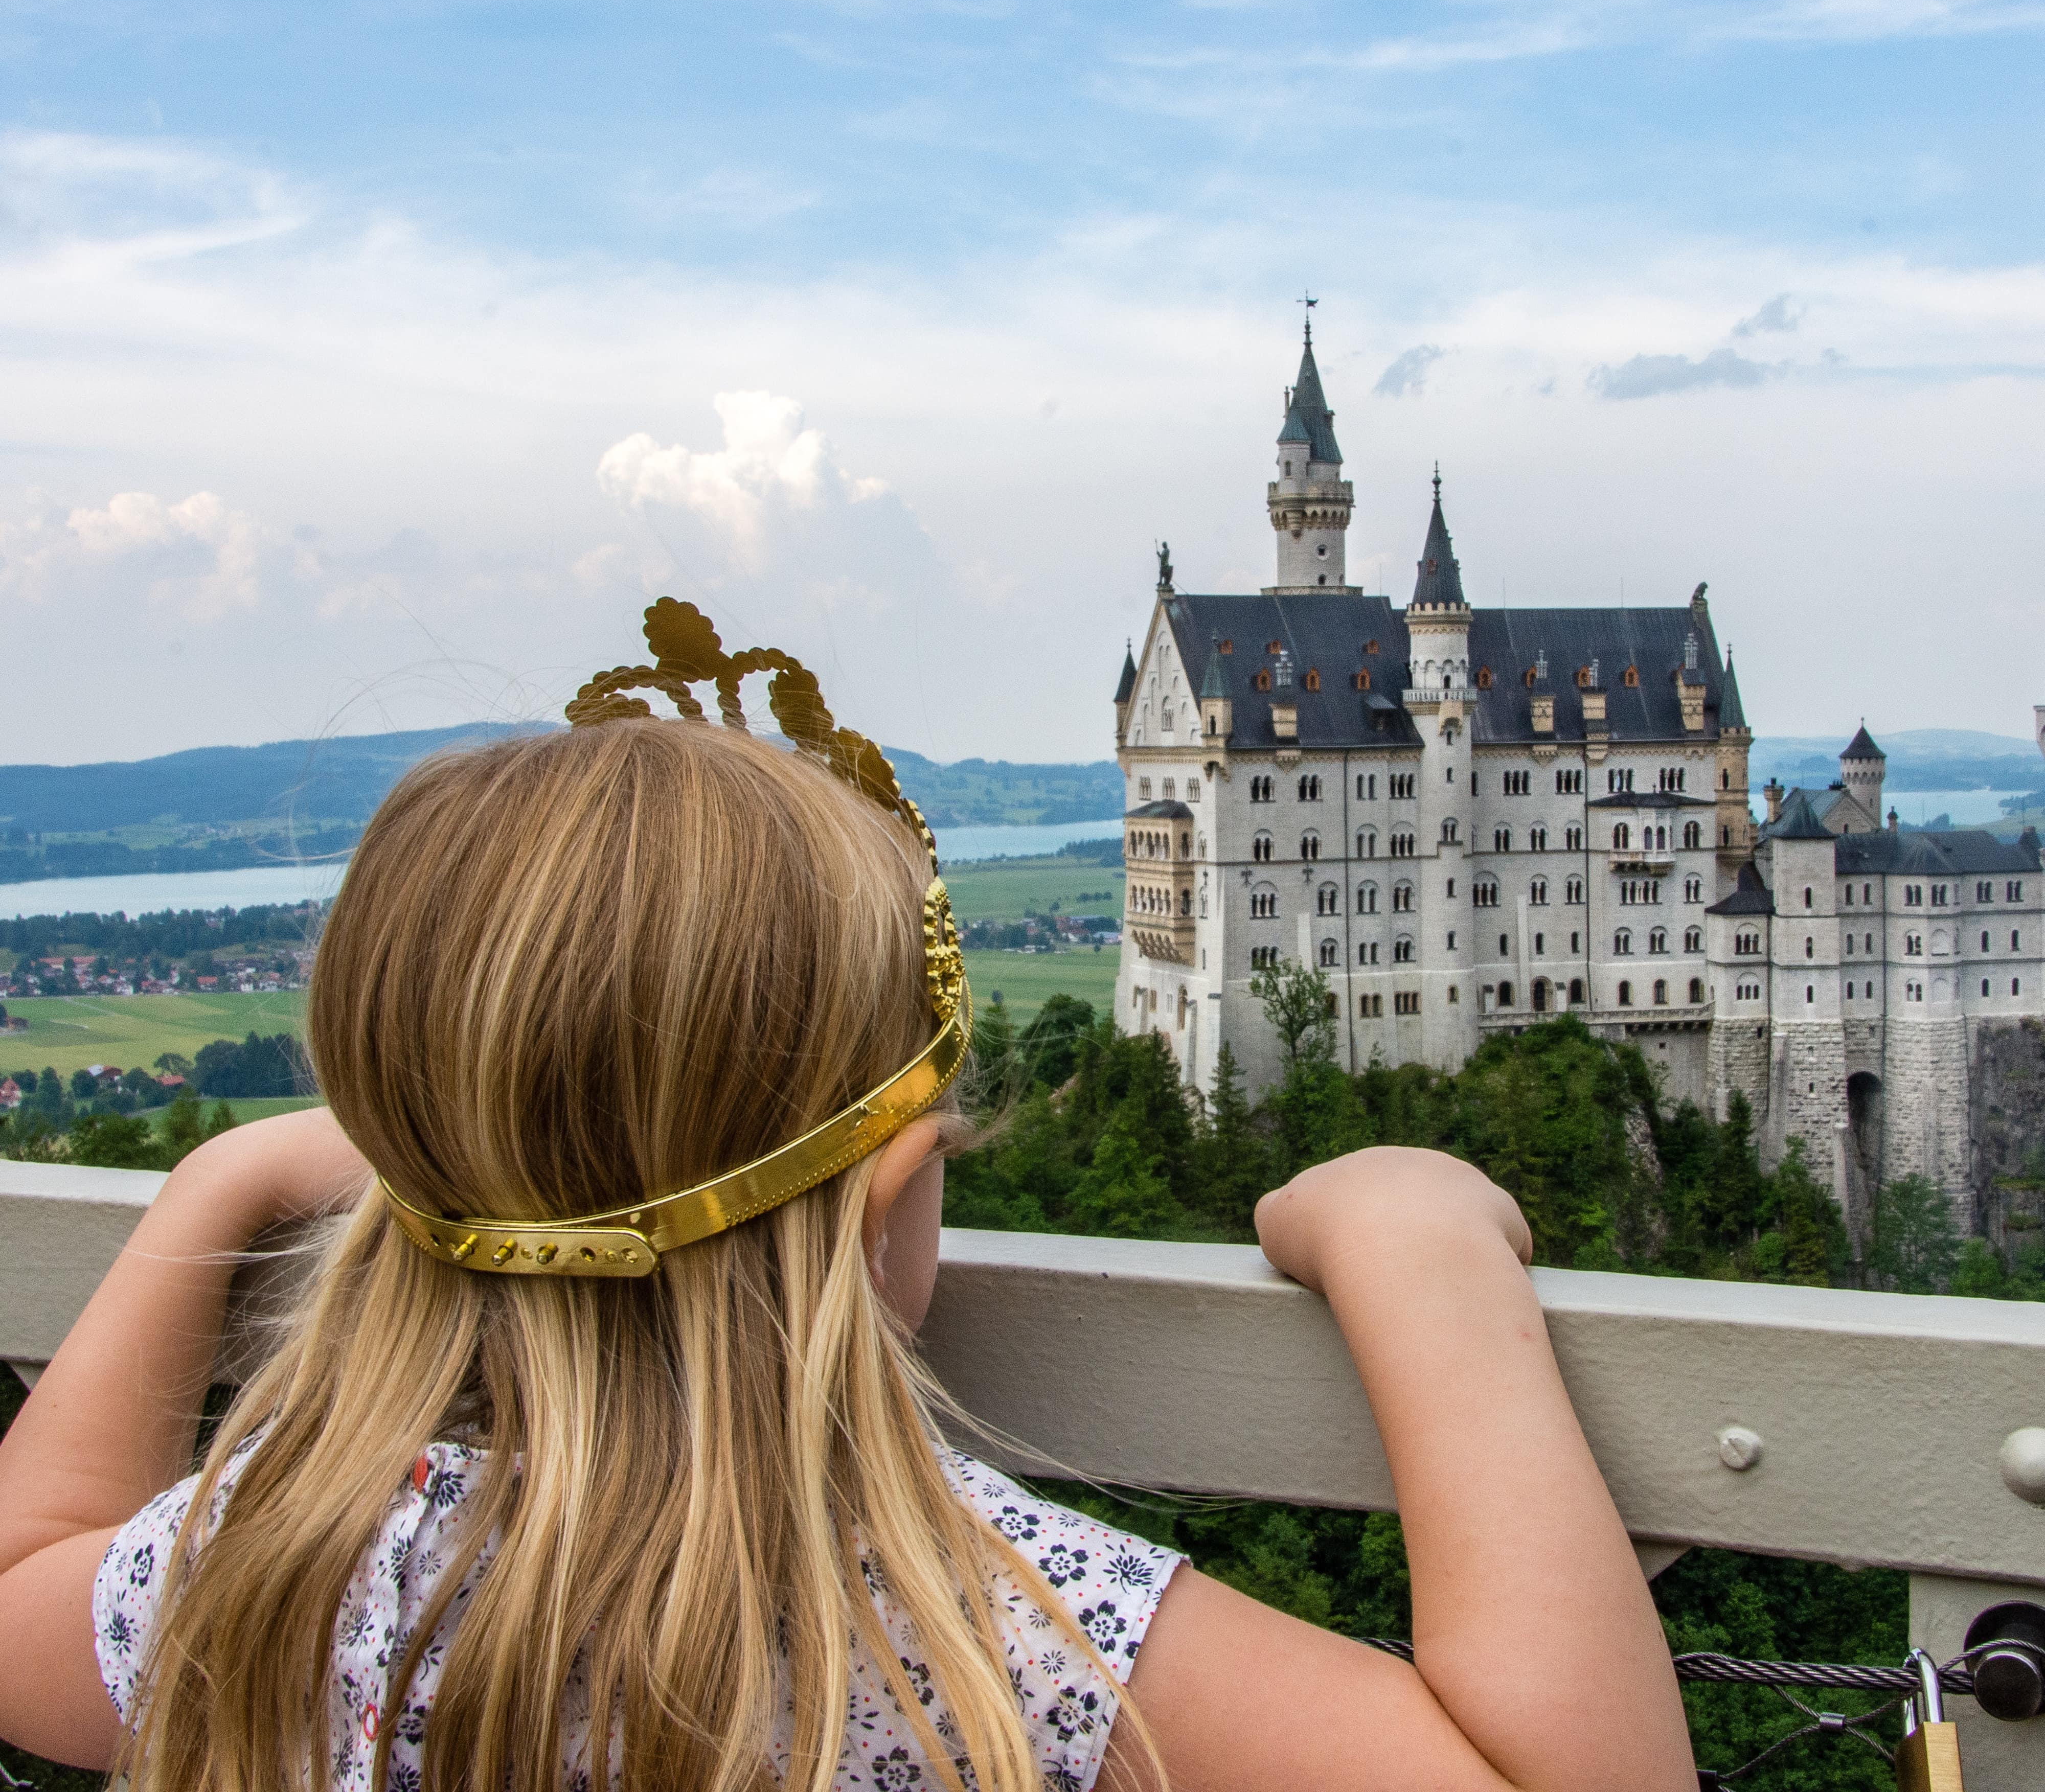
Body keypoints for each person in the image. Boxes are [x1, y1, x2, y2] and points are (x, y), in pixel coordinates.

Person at [0, 607, 1693, 1792]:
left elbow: (24, 1580)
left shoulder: (288, 1566)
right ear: (888, 1201)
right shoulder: (958, 1630)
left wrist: (216, 1182)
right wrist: (1429, 1265)